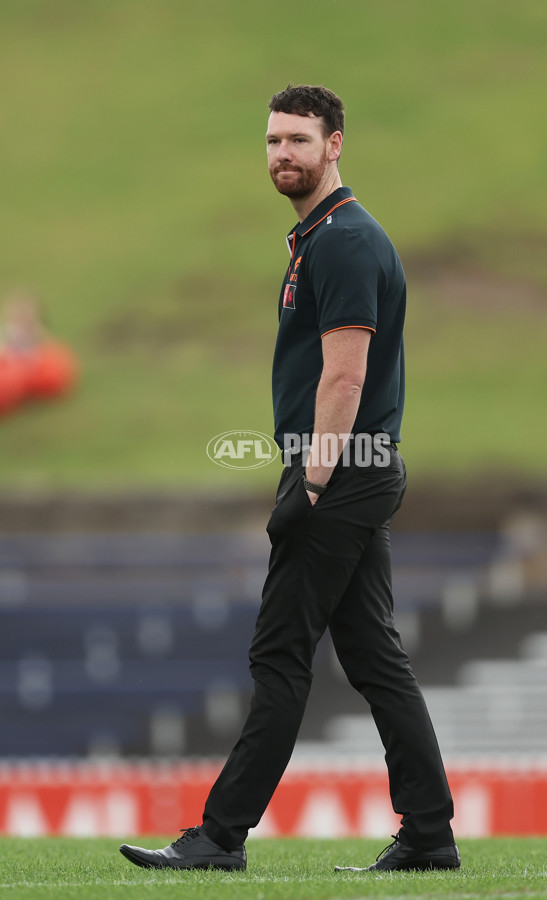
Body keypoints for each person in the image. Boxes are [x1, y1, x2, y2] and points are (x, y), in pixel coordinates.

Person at [119, 84, 459, 873]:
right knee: (374, 658)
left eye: (299, 140)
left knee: (279, 655)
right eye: (273, 140)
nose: (282, 154)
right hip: (356, 470)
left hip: (338, 472)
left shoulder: (344, 241)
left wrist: (307, 485)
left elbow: (344, 377)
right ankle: (430, 833)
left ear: (334, 145)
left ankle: (221, 836)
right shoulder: (322, 238)